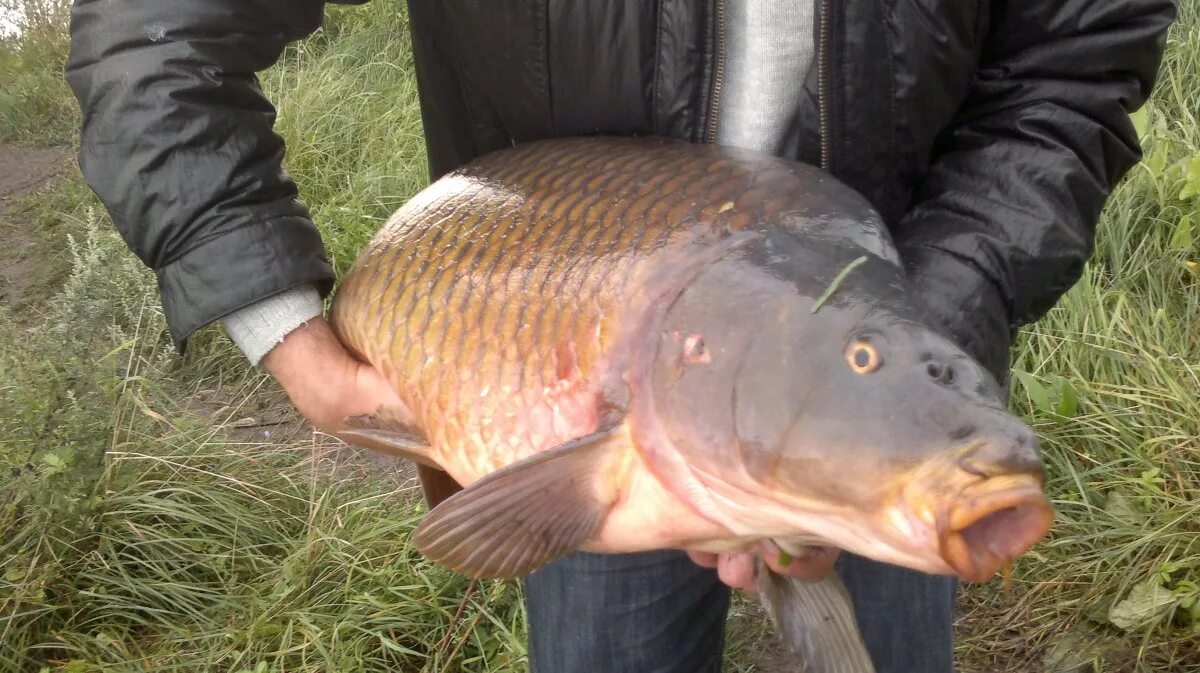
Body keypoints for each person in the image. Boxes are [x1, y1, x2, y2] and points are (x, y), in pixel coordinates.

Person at [65, 1, 1175, 670]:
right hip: (563, 360)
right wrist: (281, 321)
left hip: (890, 299)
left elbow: (1067, 74)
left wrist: (943, 311)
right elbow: (155, 36)